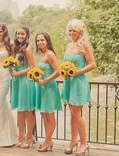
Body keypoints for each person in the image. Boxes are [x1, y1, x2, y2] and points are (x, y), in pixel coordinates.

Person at [61, 19, 96, 156]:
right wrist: (65, 71)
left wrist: (76, 72)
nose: (71, 33)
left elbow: (92, 64)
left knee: (76, 114)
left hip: (78, 81)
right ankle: (73, 141)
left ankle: (84, 143)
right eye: (69, 30)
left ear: (80, 31)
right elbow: (66, 63)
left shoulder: (84, 45)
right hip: (69, 81)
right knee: (72, 114)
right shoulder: (69, 46)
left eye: (73, 30)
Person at [35, 32, 62, 152]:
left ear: (47, 41)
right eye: (38, 40)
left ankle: (47, 141)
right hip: (42, 89)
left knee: (49, 116)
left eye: (42, 40)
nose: (40, 42)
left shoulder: (50, 54)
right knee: (43, 114)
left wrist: (45, 80)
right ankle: (48, 139)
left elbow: (58, 71)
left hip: (49, 88)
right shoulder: (43, 54)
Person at [10, 26, 36, 148]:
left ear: (27, 35)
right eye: (18, 34)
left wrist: (17, 73)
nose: (20, 36)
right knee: (20, 110)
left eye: (22, 34)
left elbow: (32, 67)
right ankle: (20, 136)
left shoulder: (27, 49)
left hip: (26, 81)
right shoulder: (15, 48)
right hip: (17, 82)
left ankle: (29, 137)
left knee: (28, 110)